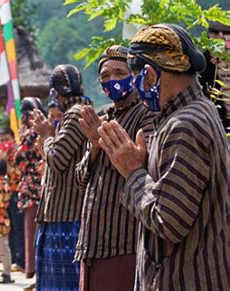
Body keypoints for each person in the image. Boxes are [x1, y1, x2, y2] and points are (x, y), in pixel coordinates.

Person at [97, 24, 229, 290]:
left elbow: (168, 221)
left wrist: (133, 171)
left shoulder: (184, 125)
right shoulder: (194, 112)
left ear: (148, 74)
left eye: (134, 76)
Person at [74, 46, 154, 291]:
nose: (112, 80)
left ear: (133, 75)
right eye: (105, 76)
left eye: (119, 73)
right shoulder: (103, 117)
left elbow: (142, 165)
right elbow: (79, 179)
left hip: (123, 242)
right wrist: (94, 145)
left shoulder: (146, 114)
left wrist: (103, 145)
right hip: (91, 243)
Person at [30, 64, 91, 291]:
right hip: (60, 215)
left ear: (55, 91)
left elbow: (56, 159)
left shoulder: (75, 112)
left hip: (66, 218)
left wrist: (47, 135)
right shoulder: (76, 111)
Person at [14, 97, 45, 280]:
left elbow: (18, 157)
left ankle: (33, 271)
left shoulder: (29, 133)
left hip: (31, 188)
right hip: (39, 185)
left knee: (31, 231)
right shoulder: (43, 128)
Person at [0, 127, 25, 272]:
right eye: (1, 140)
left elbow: (15, 173)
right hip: (6, 194)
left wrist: (5, 161)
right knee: (10, 228)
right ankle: (13, 258)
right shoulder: (1, 153)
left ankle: (21, 261)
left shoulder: (17, 152)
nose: (4, 143)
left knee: (19, 228)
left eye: (7, 139)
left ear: (13, 139)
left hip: (18, 193)